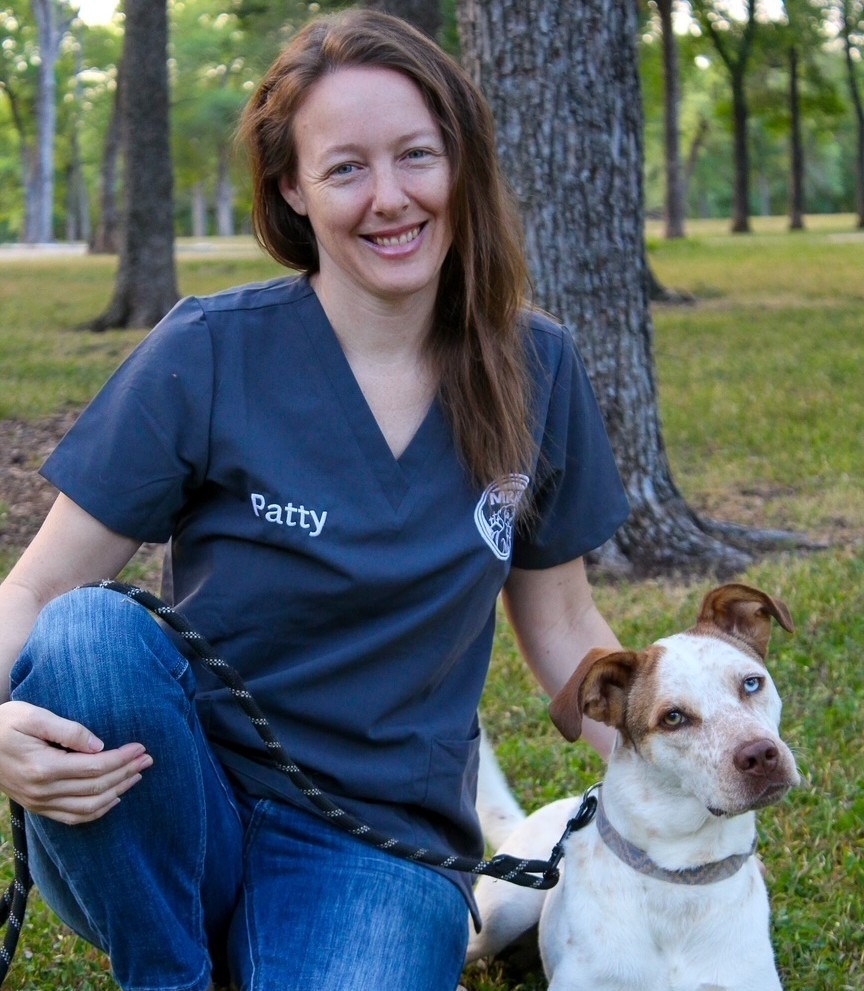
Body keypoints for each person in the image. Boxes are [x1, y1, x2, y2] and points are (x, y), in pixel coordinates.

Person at [0, 9, 629, 991]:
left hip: (376, 843)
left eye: (416, 155)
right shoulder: (209, 350)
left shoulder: (536, 366)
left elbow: (562, 623)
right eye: (345, 168)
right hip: (169, 808)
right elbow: (35, 590)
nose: (390, 197)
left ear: (460, 161)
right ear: (292, 188)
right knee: (88, 633)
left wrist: (684, 758)